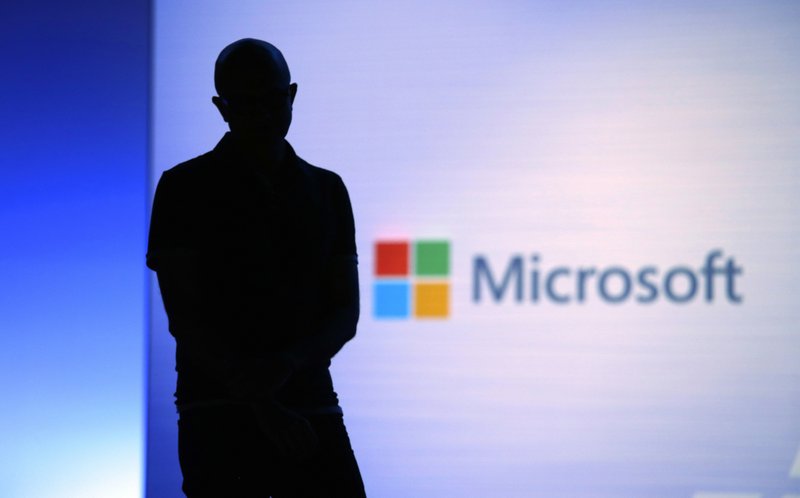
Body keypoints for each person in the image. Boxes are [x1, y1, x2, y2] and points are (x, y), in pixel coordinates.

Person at [146, 38, 366, 497]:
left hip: (281, 405)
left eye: (270, 101)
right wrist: (270, 395)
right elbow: (185, 318)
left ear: (292, 95)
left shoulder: (327, 190)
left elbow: (345, 313)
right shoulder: (182, 189)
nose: (263, 115)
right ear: (221, 108)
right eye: (247, 105)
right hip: (229, 411)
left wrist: (277, 376)